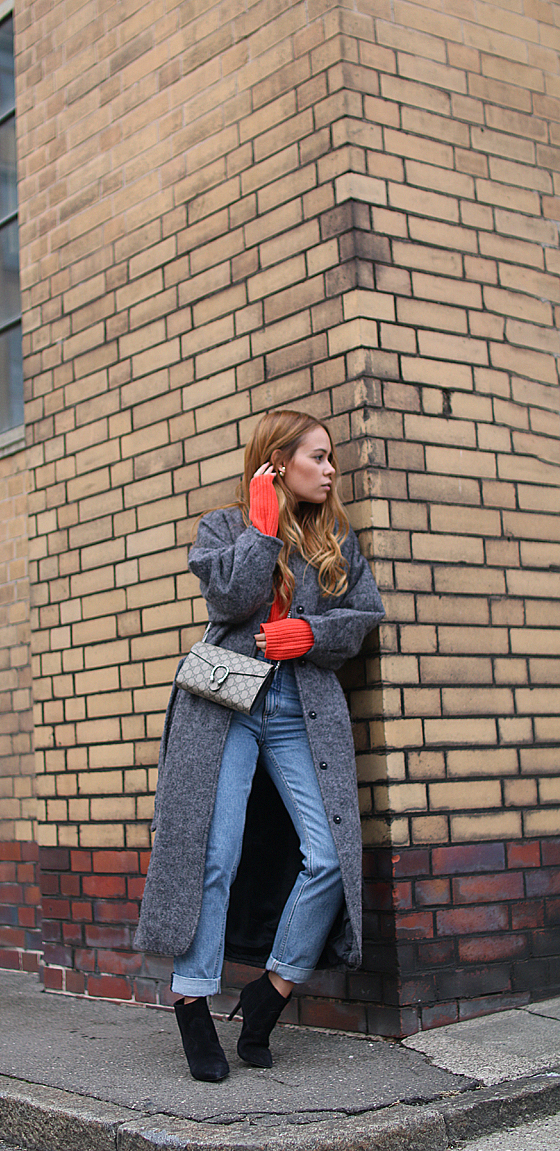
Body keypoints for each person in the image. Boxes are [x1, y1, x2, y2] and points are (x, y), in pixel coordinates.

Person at [134, 410, 385, 1081]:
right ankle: (191, 999)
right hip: (224, 706)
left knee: (329, 855)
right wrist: (262, 524)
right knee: (213, 855)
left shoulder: (338, 539)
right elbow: (230, 601)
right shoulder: (225, 526)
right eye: (319, 457)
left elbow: (364, 615)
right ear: (278, 462)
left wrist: (309, 634)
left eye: (331, 459)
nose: (331, 470)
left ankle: (271, 990)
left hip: (299, 704)